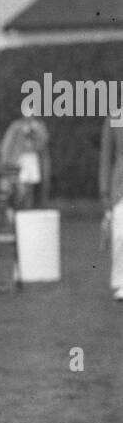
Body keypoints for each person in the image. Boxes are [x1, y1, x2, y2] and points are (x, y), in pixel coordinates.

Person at [0, 110, 50, 208]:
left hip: (33, 157)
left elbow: (43, 141)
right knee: (20, 184)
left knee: (31, 185)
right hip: (20, 158)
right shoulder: (16, 126)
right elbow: (7, 142)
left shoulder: (38, 126)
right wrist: (5, 158)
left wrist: (35, 132)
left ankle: (29, 207)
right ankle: (18, 206)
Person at [99, 107, 123, 300]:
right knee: (120, 235)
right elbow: (106, 157)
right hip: (120, 185)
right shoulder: (116, 117)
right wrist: (105, 191)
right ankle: (120, 282)